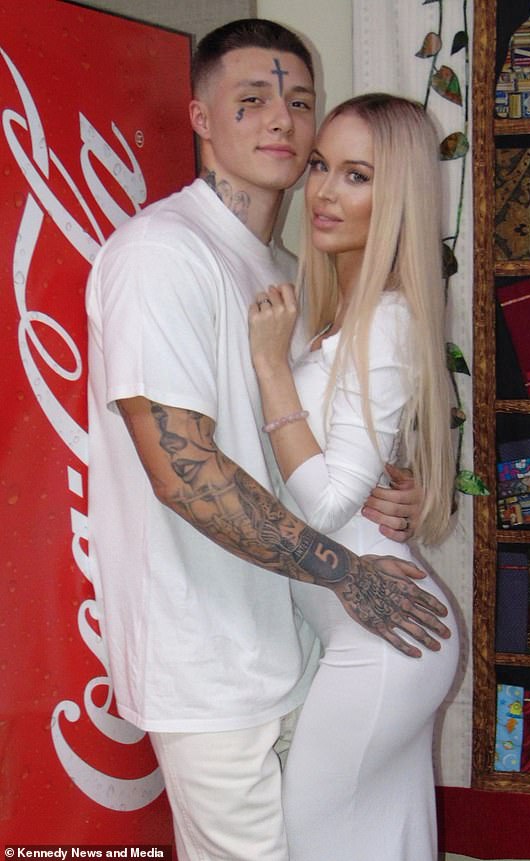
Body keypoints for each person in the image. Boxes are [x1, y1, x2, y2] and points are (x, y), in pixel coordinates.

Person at [85, 19, 452, 861]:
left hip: (289, 640)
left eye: (297, 101)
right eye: (250, 101)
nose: (281, 121)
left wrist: (381, 484)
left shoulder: (285, 266)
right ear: (201, 117)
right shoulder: (161, 254)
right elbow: (181, 472)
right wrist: (347, 570)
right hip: (206, 660)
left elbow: (314, 441)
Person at [248, 93, 460, 860]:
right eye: (319, 167)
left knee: (311, 840)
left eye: (357, 175)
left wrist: (271, 369)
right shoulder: (341, 315)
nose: (325, 192)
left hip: (379, 640)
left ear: (396, 195)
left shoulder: (387, 320)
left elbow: (330, 501)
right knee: (391, 844)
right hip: (379, 629)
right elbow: (348, 472)